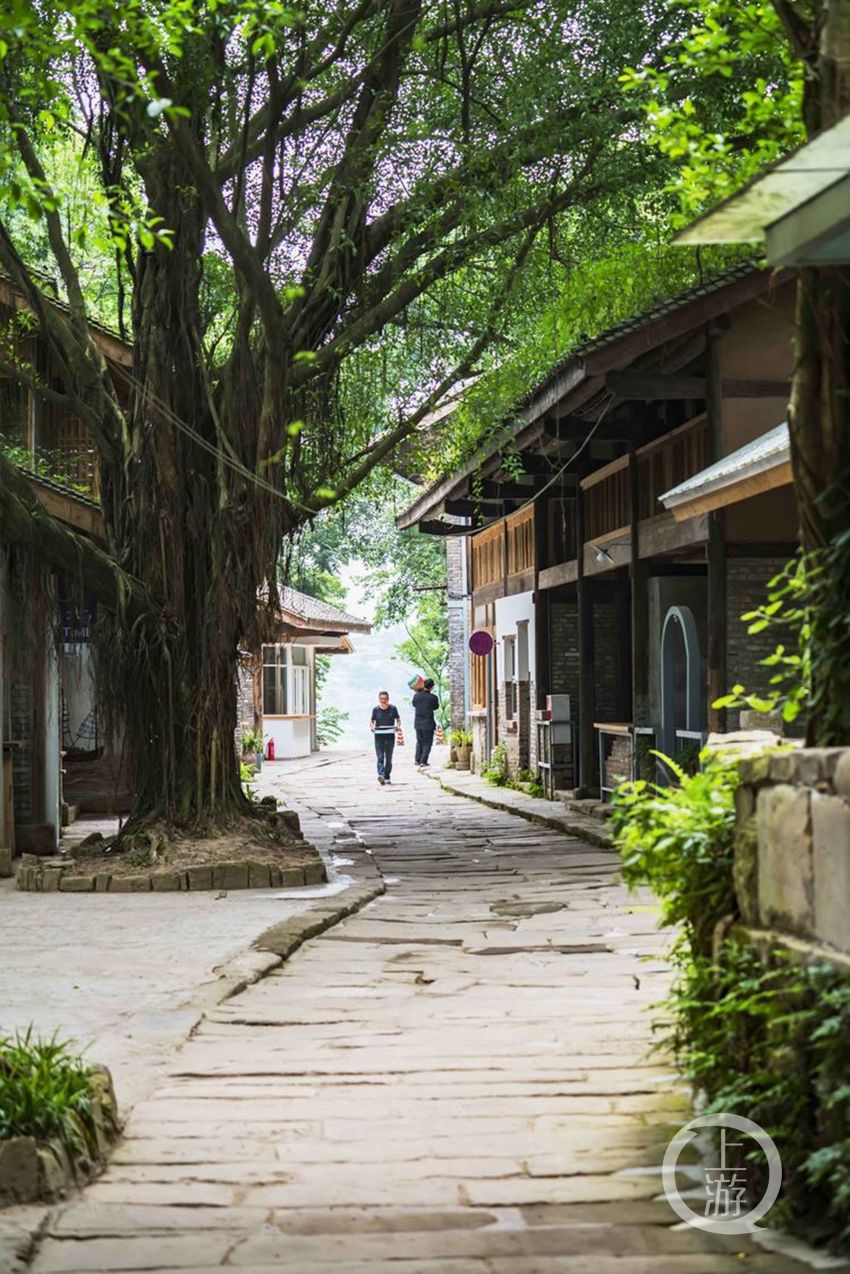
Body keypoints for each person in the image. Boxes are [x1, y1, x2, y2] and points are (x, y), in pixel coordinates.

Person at [370, 690, 400, 785]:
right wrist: (372, 727)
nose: (383, 701)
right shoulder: (376, 709)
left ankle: (387, 776)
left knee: (389, 757)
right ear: (379, 699)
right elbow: (372, 721)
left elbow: (398, 719)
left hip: (390, 735)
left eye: (385, 699)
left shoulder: (393, 708)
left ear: (388, 699)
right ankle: (381, 775)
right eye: (381, 699)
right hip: (379, 736)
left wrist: (398, 726)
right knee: (380, 756)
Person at [412, 678, 439, 769]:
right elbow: (436, 707)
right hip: (428, 723)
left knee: (419, 742)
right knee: (427, 743)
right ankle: (423, 761)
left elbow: (414, 704)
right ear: (432, 687)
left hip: (418, 723)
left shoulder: (416, 696)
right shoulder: (433, 697)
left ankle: (417, 759)